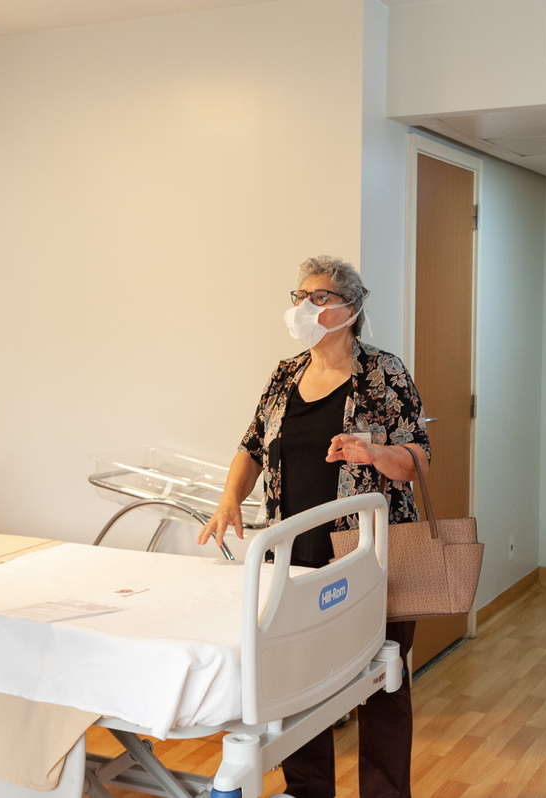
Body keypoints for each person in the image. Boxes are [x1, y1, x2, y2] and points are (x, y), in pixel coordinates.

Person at [198, 255, 430, 798]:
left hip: (369, 557)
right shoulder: (285, 373)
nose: (304, 306)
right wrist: (229, 499)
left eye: (319, 297)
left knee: (382, 685)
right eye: (300, 296)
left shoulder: (383, 372)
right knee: (297, 687)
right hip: (295, 559)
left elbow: (419, 460)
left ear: (350, 309)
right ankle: (308, 792)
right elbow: (251, 446)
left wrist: (374, 454)